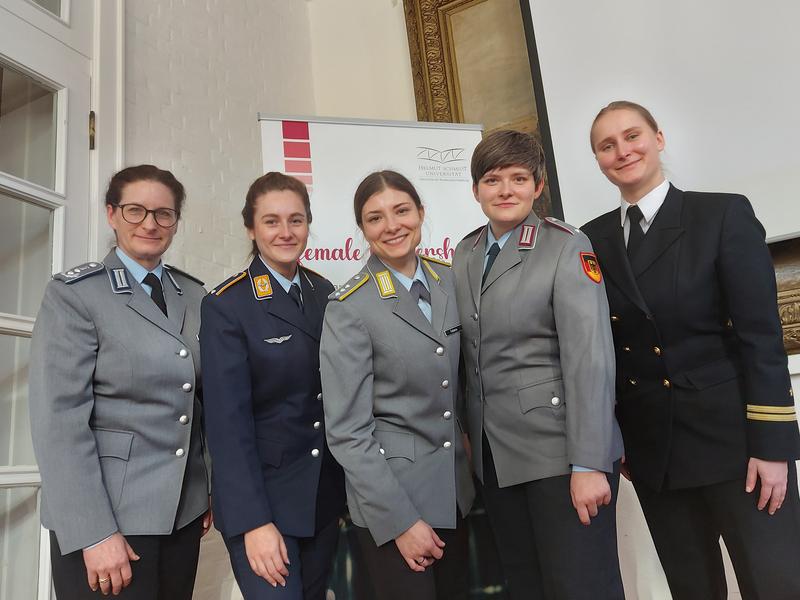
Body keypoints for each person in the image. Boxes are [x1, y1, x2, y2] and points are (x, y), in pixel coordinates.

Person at [582, 100, 800, 600]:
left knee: (776, 583)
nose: (623, 151)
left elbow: (761, 337)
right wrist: (617, 441)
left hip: (736, 446)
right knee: (692, 590)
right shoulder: (590, 240)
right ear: (597, 160)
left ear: (658, 138)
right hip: (655, 451)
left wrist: (772, 446)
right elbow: (601, 349)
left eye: (632, 136)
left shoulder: (720, 214)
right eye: (606, 145)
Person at [452, 130, 625, 600]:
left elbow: (590, 358)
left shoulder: (565, 245)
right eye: (492, 179)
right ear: (475, 190)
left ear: (538, 185)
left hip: (559, 454)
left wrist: (589, 461)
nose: (505, 190)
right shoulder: (463, 253)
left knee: (581, 587)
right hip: (496, 459)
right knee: (527, 588)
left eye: (518, 178)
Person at [28, 165, 212, 599]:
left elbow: (201, 402)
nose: (150, 223)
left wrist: (208, 489)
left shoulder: (196, 295)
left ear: (175, 223)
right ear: (112, 214)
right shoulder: (76, 295)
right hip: (111, 522)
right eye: (135, 210)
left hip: (180, 516)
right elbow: (59, 424)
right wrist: (93, 532)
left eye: (164, 214)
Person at [319, 170, 475, 600]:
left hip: (456, 494)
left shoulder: (450, 281)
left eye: (402, 210)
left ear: (421, 213)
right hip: (396, 500)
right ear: (363, 230)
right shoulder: (350, 307)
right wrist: (401, 521)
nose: (392, 225)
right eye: (375, 218)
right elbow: (348, 433)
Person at [200, 172, 345, 600]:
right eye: (271, 221)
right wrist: (253, 523)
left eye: (296, 220)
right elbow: (227, 427)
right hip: (265, 506)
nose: (286, 232)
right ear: (251, 227)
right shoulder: (228, 305)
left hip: (321, 498)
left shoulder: (324, 292)